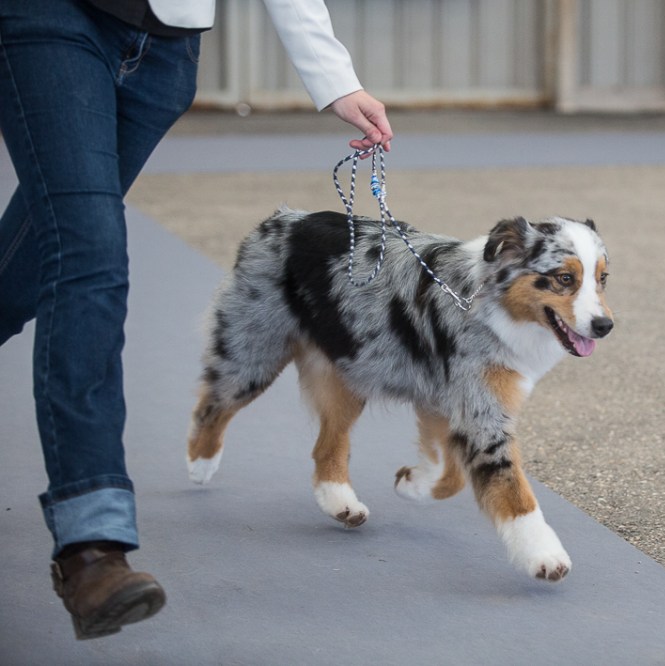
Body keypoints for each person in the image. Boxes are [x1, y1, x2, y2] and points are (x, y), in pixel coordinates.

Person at [0, 0, 392, 640]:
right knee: (89, 256)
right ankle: (91, 546)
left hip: (165, 48)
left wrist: (334, 76)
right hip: (51, 18)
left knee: (26, 265)